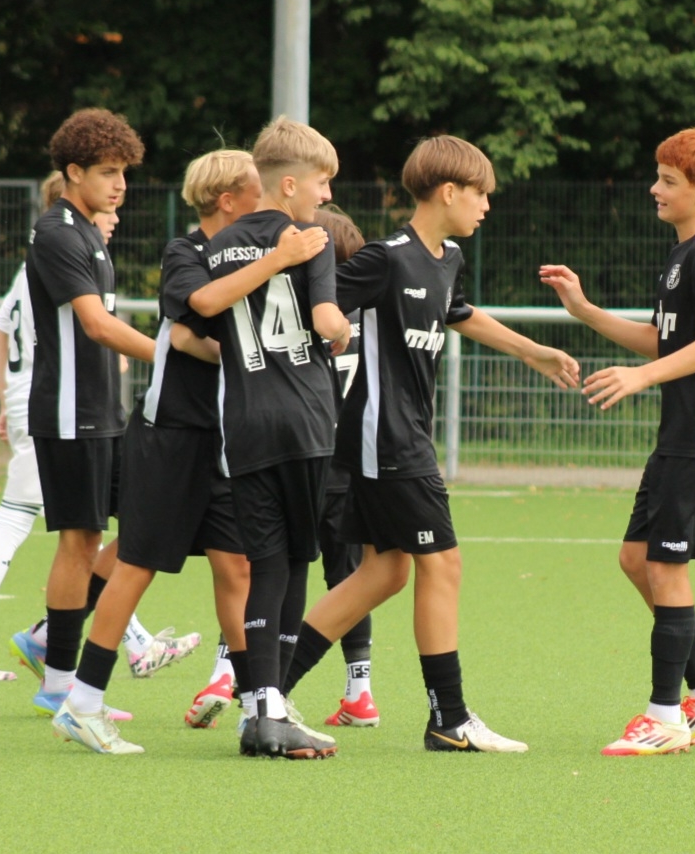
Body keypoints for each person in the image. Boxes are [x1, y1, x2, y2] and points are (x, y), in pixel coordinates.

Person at [289, 135, 579, 755]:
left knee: (383, 572)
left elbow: (460, 313)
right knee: (441, 564)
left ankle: (267, 691)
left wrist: (533, 351)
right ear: (449, 192)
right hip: (387, 438)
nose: (487, 206)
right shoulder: (386, 258)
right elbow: (315, 302)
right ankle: (450, 717)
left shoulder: (447, 258)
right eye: (481, 194)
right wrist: (326, 331)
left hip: (399, 438)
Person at [51, 147, 331, 753]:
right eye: (254, 193)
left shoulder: (265, 249)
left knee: (239, 568)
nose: (265, 205)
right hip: (173, 433)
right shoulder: (188, 253)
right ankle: (82, 702)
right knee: (137, 564)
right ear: (229, 200)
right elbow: (186, 332)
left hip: (229, 438)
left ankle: (259, 705)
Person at [540, 127, 695, 756]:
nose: (655, 189)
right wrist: (586, 311)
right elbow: (666, 341)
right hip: (681, 435)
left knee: (664, 566)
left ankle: (665, 716)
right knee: (638, 560)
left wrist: (642, 378)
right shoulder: (682, 253)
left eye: (668, 181)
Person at [0, 175, 179, 683]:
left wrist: (6, 398)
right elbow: (84, 328)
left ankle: (102, 641)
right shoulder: (55, 251)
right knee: (30, 523)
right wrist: (11, 398)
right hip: (57, 405)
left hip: (61, 402)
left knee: (102, 530)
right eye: (108, 200)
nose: (116, 213)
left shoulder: (80, 253)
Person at [188, 117, 350, 760]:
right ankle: (275, 710)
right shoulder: (310, 239)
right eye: (322, 182)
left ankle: (261, 712)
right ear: (289, 184)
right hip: (305, 422)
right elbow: (327, 320)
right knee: (296, 561)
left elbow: (198, 318)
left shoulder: (219, 245)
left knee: (263, 565)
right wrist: (342, 331)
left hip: (246, 425)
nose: (327, 195)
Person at [23, 109, 159, 718]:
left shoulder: (90, 233)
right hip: (68, 412)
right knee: (80, 542)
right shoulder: (57, 233)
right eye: (108, 172)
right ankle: (58, 683)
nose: (120, 184)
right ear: (73, 172)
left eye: (124, 172)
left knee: (145, 526)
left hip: (106, 410)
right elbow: (97, 325)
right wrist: (173, 355)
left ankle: (48, 636)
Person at [278, 208, 380, 728]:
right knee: (350, 579)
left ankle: (231, 676)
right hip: (351, 466)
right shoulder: (368, 313)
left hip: (302, 457)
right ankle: (360, 693)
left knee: (271, 571)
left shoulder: (300, 311)